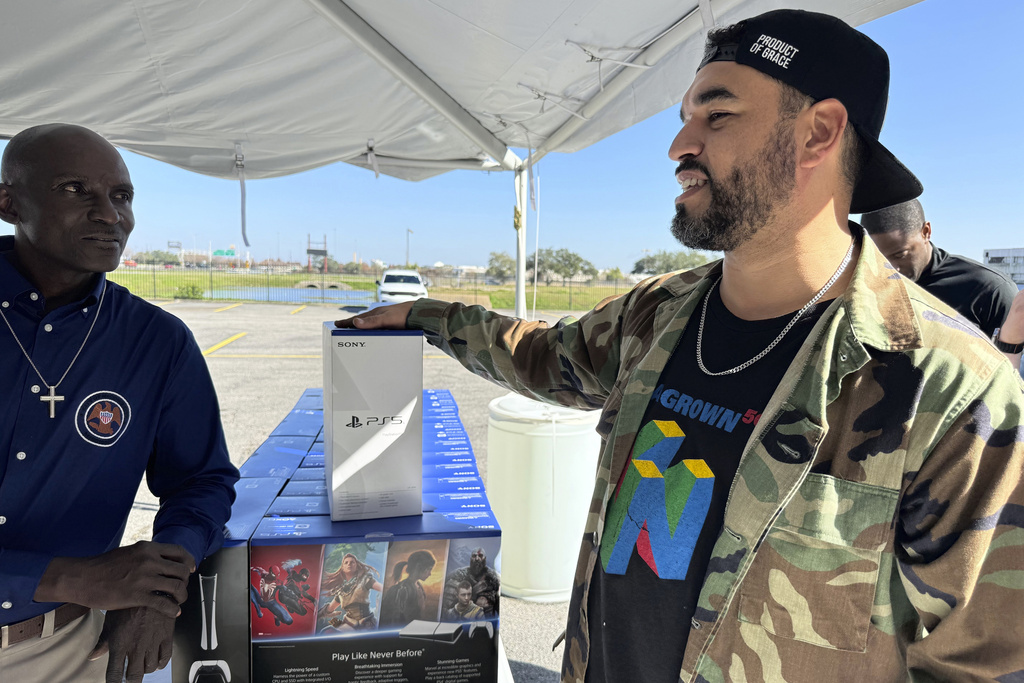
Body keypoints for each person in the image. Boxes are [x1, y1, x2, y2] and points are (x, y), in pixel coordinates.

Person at [337, 9, 1024, 682]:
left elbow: (978, 664)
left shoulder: (956, 393)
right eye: (684, 118)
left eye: (716, 115)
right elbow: (541, 357)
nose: (679, 146)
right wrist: (422, 316)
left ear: (819, 132)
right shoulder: (657, 313)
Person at [0, 124, 239, 683]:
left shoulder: (157, 342)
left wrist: (157, 592)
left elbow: (201, 482)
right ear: (8, 203)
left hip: (57, 654)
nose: (109, 214)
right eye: (74, 189)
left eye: (121, 196)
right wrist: (62, 577)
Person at [862, 198, 1017, 337]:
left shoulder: (991, 290)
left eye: (900, 255)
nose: (891, 269)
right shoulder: (862, 288)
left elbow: (1011, 365)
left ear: (926, 232)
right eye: (878, 257)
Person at [319, 553, 383, 631]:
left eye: (352, 562)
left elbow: (383, 588)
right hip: (349, 624)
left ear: (356, 566)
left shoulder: (365, 580)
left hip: (367, 623)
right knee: (327, 632)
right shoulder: (341, 591)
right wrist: (317, 614)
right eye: (346, 562)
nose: (349, 564)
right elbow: (330, 608)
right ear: (342, 567)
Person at [378, 550, 436, 627]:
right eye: (429, 569)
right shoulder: (402, 590)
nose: (430, 573)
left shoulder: (419, 587)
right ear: (418, 567)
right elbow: (393, 620)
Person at [441, 546, 500, 615]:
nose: (477, 559)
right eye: (474, 556)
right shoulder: (458, 575)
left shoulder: (493, 578)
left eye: (480, 556)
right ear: (470, 559)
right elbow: (446, 607)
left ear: (485, 559)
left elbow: (499, 603)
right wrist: (473, 594)